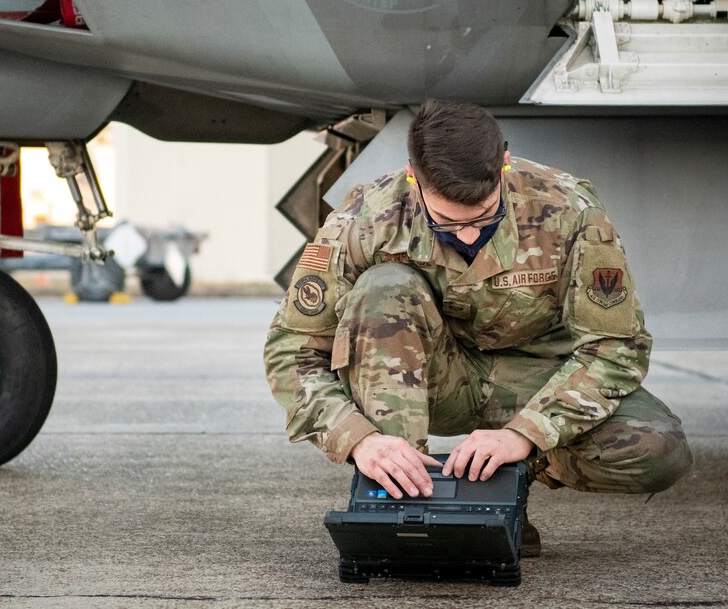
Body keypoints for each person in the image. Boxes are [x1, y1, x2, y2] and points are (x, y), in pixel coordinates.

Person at [263, 100, 692, 556]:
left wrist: (526, 436)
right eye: (447, 221)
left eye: (484, 216)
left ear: (503, 165)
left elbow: (615, 346)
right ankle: (404, 502)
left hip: (539, 379)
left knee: (658, 450)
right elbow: (292, 352)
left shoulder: (569, 209)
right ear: (414, 176)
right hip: (432, 380)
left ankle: (500, 488)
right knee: (383, 287)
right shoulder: (365, 219)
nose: (467, 235)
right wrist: (360, 440)